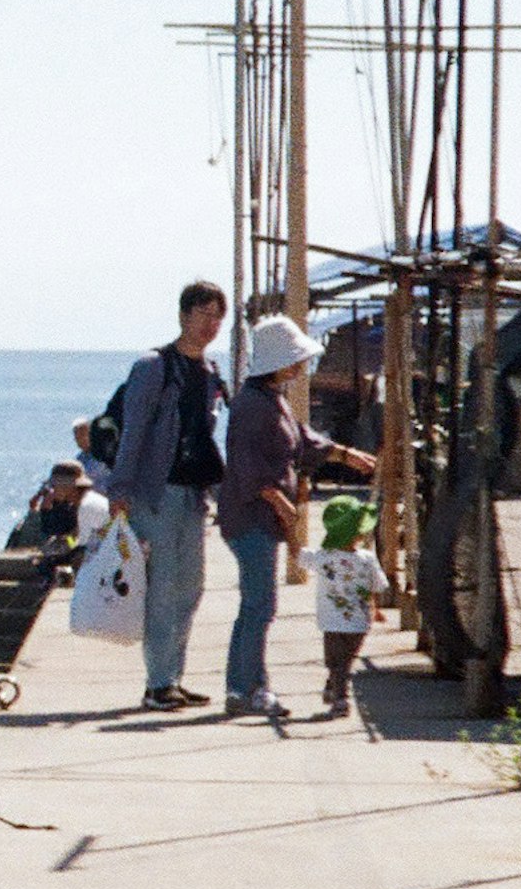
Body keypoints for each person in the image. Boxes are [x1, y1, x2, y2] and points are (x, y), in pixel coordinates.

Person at [81, 281, 232, 712]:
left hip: (192, 492)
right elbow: (134, 431)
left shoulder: (210, 372)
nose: (211, 324)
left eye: (218, 316)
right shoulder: (153, 367)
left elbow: (205, 437)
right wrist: (120, 488)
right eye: (204, 314)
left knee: (191, 586)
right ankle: (158, 682)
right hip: (155, 491)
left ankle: (173, 677)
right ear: (184, 315)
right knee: (164, 587)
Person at [218, 311, 376, 718]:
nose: (303, 365)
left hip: (257, 518)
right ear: (280, 362)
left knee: (256, 604)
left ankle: (242, 687)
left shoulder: (270, 401)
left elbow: (304, 440)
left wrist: (344, 453)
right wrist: (280, 503)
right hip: (253, 518)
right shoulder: (254, 406)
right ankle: (248, 688)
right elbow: (249, 466)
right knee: (259, 605)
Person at [305, 495, 389, 720]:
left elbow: (300, 556)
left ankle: (338, 692)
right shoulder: (367, 559)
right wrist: (375, 608)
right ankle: (337, 691)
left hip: (331, 621)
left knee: (336, 660)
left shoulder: (323, 558)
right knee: (346, 659)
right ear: (359, 533)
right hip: (360, 622)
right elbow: (377, 585)